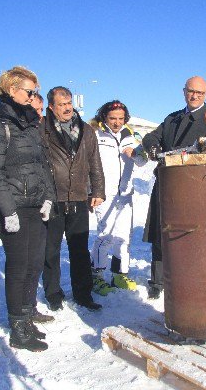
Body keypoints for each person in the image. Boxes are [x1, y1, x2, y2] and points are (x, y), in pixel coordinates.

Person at [0, 66, 56, 351]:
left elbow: (43, 166)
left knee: (34, 263)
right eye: (29, 91)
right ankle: (17, 328)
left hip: (36, 207)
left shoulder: (32, 126)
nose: (33, 96)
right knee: (18, 267)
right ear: (12, 91)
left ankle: (27, 314)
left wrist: (48, 197)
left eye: (35, 92)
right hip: (14, 209)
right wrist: (7, 210)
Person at [141, 76, 206, 299]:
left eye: (199, 92)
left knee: (190, 236)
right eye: (191, 91)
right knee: (161, 233)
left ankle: (191, 280)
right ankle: (157, 281)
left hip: (193, 188)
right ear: (184, 91)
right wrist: (152, 146)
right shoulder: (172, 119)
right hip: (166, 185)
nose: (194, 96)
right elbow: (151, 136)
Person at [40, 86, 105, 311]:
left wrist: (97, 190)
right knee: (51, 250)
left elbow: (94, 162)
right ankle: (53, 294)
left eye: (69, 103)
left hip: (78, 196)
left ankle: (83, 294)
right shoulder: (41, 128)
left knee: (79, 249)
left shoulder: (86, 130)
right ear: (51, 107)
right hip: (52, 197)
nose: (67, 108)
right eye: (62, 104)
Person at [89, 100, 148, 295]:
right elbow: (87, 163)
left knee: (123, 236)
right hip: (104, 194)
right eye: (113, 118)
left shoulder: (130, 135)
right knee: (106, 235)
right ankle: (96, 275)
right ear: (104, 117)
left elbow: (142, 161)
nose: (117, 122)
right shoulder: (95, 135)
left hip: (125, 193)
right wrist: (92, 191)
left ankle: (119, 274)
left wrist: (137, 154)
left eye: (121, 119)